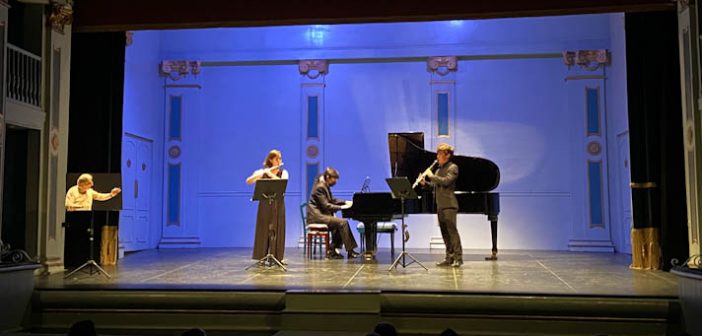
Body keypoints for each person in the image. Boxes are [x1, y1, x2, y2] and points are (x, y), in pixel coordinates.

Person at [421, 143, 463, 267]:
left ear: (447, 155)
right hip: (440, 205)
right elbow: (435, 185)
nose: (437, 156)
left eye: (440, 154)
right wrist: (425, 183)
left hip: (449, 205)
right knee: (444, 233)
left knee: (452, 232)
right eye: (437, 154)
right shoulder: (439, 169)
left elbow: (446, 182)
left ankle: (458, 259)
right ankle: (449, 258)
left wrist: (431, 176)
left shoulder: (453, 168)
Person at [306, 167, 360, 259]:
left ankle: (332, 250)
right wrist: (341, 207)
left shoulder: (324, 185)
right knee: (343, 222)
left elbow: (332, 199)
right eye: (334, 179)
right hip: (316, 217)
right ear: (328, 176)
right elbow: (326, 205)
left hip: (321, 215)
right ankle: (350, 251)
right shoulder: (320, 187)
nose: (335, 181)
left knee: (341, 223)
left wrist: (345, 202)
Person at [246, 149, 288, 264]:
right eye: (277, 158)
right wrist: (261, 174)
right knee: (263, 228)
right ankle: (261, 257)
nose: (279, 161)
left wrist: (270, 174)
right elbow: (248, 181)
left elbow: (282, 182)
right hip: (264, 204)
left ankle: (278, 257)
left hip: (278, 204)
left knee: (278, 228)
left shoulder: (284, 172)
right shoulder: (262, 171)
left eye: (280, 158)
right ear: (270, 160)